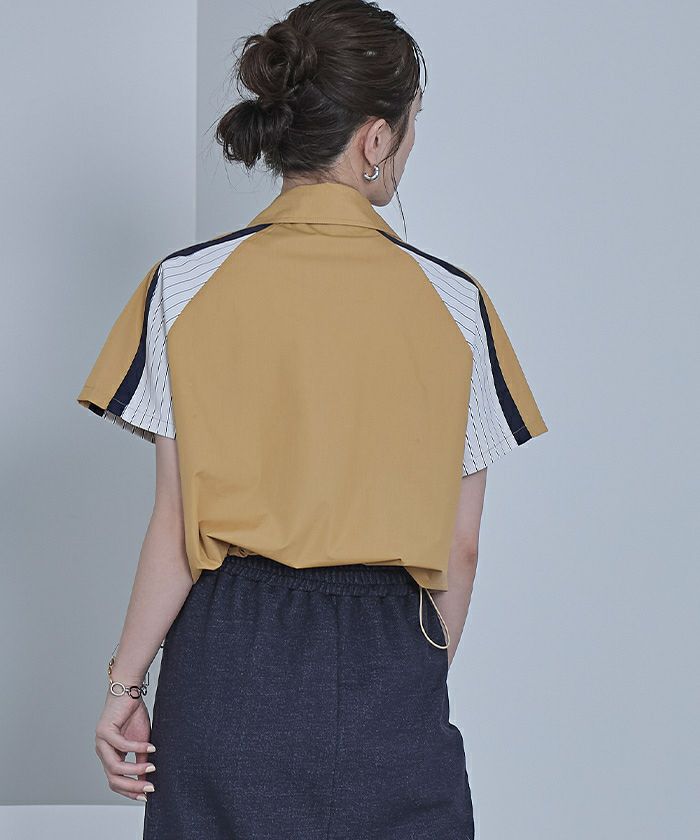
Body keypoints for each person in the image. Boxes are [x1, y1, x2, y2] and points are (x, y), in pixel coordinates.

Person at [77, 1, 548, 837]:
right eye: (411, 125)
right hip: (389, 647)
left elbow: (177, 521)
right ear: (376, 138)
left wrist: (126, 685)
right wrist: (404, 682)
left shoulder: (183, 286)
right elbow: (462, 547)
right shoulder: (455, 302)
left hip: (228, 655)